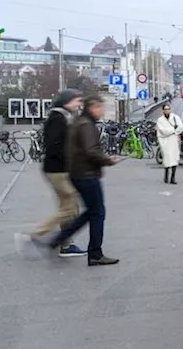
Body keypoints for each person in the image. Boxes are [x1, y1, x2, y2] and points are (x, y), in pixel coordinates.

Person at [35, 95, 120, 266]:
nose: (102, 111)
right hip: (87, 175)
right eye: (100, 108)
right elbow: (91, 150)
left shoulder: (77, 121)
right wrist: (107, 160)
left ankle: (58, 240)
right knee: (97, 213)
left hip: (79, 174)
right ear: (92, 108)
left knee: (90, 212)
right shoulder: (86, 125)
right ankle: (95, 253)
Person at [17, 89, 87, 258]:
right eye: (77, 101)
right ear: (67, 101)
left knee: (69, 206)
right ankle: (33, 236)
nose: (79, 104)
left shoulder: (63, 117)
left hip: (59, 169)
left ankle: (65, 243)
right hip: (58, 170)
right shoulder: (58, 119)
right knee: (70, 208)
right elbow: (55, 146)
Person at [156, 103, 183, 184]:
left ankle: (173, 177)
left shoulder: (175, 117)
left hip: (174, 140)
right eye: (165, 109)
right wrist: (173, 129)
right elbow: (162, 131)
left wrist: (172, 131)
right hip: (165, 141)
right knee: (167, 158)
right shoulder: (160, 120)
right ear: (163, 110)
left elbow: (181, 127)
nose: (167, 110)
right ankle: (166, 175)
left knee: (174, 158)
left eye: (168, 109)